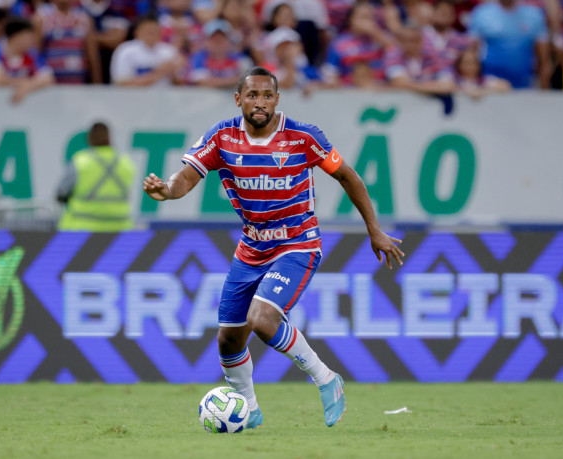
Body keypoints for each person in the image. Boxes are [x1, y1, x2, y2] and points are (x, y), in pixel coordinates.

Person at [142, 67, 404, 428]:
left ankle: (326, 378)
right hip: (251, 249)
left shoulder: (302, 137)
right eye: (252, 95)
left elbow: (348, 176)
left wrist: (374, 230)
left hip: (297, 244)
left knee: (262, 320)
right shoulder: (222, 137)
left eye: (267, 95)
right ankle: (249, 410)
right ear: (238, 99)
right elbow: (187, 175)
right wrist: (168, 190)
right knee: (228, 340)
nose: (260, 102)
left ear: (277, 100)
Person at [58, 122, 136, 231]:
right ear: (110, 138)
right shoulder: (125, 162)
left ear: (90, 138)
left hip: (81, 229)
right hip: (118, 228)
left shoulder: (81, 161)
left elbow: (61, 193)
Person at [468, 0, 551, 89]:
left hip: (526, 83)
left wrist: (544, 89)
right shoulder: (482, 13)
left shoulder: (534, 15)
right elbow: (471, 53)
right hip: (491, 84)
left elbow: (544, 59)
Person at [0, 16, 55, 103]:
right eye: (29, 37)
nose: (32, 41)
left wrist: (29, 86)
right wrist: (26, 83)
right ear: (16, 37)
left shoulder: (32, 53)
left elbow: (48, 78)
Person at [322, 1, 391, 87]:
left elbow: (396, 54)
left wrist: (376, 33)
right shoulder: (339, 43)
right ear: (352, 19)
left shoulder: (380, 39)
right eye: (364, 17)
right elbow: (330, 72)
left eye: (371, 17)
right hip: (350, 91)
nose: (368, 22)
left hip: (381, 90)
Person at [34, 0, 102, 84]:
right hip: (50, 84)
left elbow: (92, 54)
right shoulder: (42, 17)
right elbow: (35, 53)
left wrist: (97, 83)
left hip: (78, 83)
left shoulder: (84, 18)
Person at [109, 14, 185, 86]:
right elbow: (122, 85)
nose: (152, 35)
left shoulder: (169, 51)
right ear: (137, 32)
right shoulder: (125, 51)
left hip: (165, 97)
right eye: (148, 31)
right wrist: (160, 73)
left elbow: (180, 85)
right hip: (134, 98)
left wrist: (174, 74)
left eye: (155, 31)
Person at [386, 25, 456, 94]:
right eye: (405, 40)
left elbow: (448, 84)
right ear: (399, 41)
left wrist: (414, 86)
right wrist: (433, 86)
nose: (410, 44)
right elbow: (400, 82)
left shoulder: (432, 55)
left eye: (414, 40)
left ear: (421, 40)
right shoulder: (393, 55)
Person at [187, 19, 251, 88]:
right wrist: (234, 81)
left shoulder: (242, 60)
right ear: (206, 42)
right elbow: (201, 82)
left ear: (229, 41)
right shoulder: (198, 59)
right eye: (214, 39)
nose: (218, 42)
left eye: (222, 38)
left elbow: (249, 81)